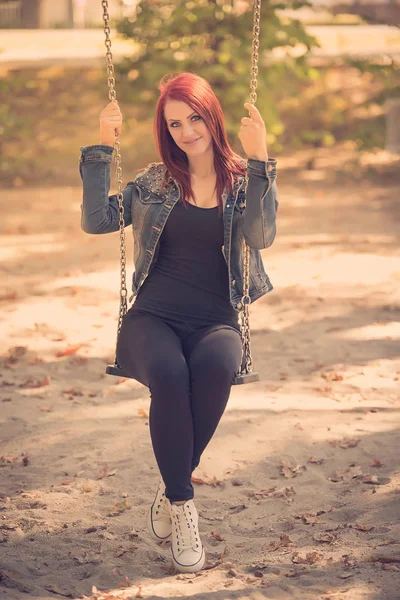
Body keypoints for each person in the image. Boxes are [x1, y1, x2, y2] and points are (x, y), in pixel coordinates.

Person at [79, 71, 278, 574]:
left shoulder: (242, 179)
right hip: (153, 318)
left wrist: (260, 160)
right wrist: (103, 148)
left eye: (193, 119)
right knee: (170, 376)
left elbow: (261, 233)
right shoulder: (154, 182)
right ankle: (184, 507)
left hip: (217, 320)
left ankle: (171, 489)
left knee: (213, 372)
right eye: (174, 123)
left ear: (211, 117)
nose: (186, 131)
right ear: (164, 130)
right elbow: (97, 219)